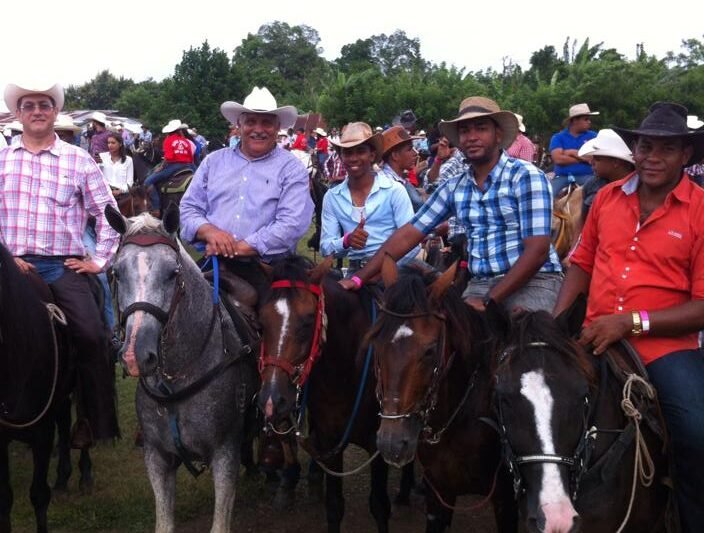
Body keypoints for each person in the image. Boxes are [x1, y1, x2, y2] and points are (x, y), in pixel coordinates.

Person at [553, 102, 704, 533]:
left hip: (664, 347)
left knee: (696, 434)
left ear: (686, 156)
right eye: (645, 146)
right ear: (633, 149)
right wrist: (557, 323)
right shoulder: (605, 201)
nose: (653, 157)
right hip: (594, 332)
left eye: (666, 149)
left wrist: (630, 323)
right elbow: (581, 263)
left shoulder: (699, 209)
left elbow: (702, 305)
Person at [340, 96, 562, 313]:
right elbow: (408, 234)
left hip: (534, 281)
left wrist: (489, 301)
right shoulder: (455, 186)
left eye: (481, 128)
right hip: (480, 283)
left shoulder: (526, 176)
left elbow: (537, 250)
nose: (471, 137)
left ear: (498, 135)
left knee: (528, 343)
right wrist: (359, 278)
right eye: (465, 131)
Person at [0, 81, 120, 443]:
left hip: (60, 265)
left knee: (92, 334)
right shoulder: (2, 158)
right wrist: (5, 257)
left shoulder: (78, 159)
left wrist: (99, 260)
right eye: (30, 105)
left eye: (44, 105)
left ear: (54, 112)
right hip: (9, 266)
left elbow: (108, 212)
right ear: (19, 114)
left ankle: (93, 419)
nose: (37, 111)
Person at [179, 86, 313, 296]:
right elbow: (189, 208)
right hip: (215, 261)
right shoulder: (213, 161)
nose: (258, 129)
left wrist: (237, 247)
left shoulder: (292, 169)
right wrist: (210, 231)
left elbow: (291, 224)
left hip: (269, 268)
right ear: (239, 125)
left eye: (266, 122)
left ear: (277, 128)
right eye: (250, 121)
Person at [320, 122, 420, 275]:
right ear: (340, 157)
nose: (353, 158)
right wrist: (346, 241)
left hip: (392, 270)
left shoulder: (394, 190)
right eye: (347, 153)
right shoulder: (332, 197)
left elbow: (412, 244)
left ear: (372, 155)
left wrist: (381, 270)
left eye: (360, 151)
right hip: (354, 271)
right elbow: (325, 248)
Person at [577, 129, 634, 223]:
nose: (591, 162)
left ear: (616, 162)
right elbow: (582, 221)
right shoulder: (591, 185)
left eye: (597, 159)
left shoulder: (639, 187)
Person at [144, 119, 195, 214]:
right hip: (188, 166)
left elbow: (168, 157)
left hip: (175, 166)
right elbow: (191, 156)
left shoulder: (168, 140)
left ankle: (156, 207)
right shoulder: (185, 141)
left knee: (147, 182)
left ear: (169, 132)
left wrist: (161, 166)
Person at [549, 103, 599, 196]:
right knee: (548, 196)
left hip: (587, 177)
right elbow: (558, 159)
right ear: (575, 120)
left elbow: (593, 158)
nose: (589, 122)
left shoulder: (594, 136)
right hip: (562, 177)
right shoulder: (558, 137)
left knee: (597, 196)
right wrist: (583, 157)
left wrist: (570, 152)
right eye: (586, 119)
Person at [378, 125, 425, 212]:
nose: (416, 153)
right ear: (395, 155)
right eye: (410, 149)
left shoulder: (396, 179)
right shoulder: (389, 185)